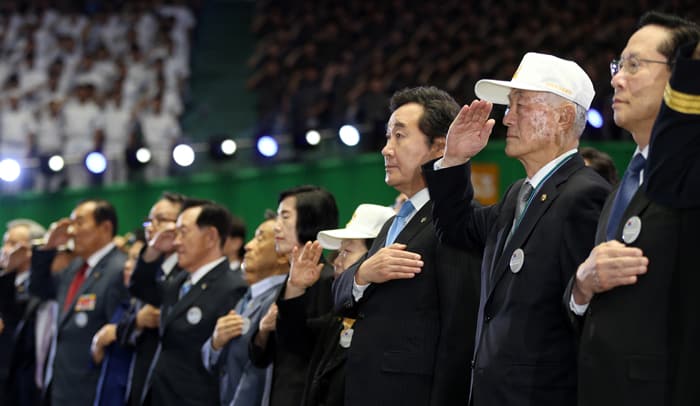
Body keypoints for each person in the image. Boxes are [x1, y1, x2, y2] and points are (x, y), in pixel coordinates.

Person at [422, 54, 611, 406]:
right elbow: (456, 230)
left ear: (563, 117)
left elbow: (588, 317)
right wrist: (454, 160)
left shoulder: (584, 195)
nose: (507, 117)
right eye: (509, 106)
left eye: (520, 106)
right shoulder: (517, 195)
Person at [567, 12, 700, 406]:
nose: (617, 79)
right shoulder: (621, 187)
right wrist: (581, 286)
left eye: (634, 65)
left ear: (681, 78)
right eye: (618, 65)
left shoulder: (688, 180)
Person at [332, 86, 482, 406]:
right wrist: (362, 274)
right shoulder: (392, 222)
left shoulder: (456, 224)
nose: (386, 149)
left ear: (439, 148)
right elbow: (341, 298)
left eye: (399, 136)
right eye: (388, 137)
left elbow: (460, 332)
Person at [278, 203, 395, 406]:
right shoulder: (341, 316)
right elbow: (296, 342)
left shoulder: (390, 320)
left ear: (376, 256)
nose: (337, 262)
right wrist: (295, 287)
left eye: (346, 252)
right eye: (338, 253)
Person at [29, 199, 129, 406]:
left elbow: (119, 337)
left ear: (105, 228)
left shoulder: (119, 270)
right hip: (61, 387)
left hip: (92, 391)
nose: (72, 231)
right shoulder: (75, 267)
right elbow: (39, 289)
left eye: (80, 223)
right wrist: (49, 247)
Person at [147, 202, 247, 406]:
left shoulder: (233, 287)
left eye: (183, 233)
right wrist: (154, 248)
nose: (176, 242)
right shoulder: (178, 282)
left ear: (210, 237)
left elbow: (231, 363)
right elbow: (139, 286)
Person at [249, 185, 338, 406]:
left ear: (310, 221)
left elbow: (308, 350)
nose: (276, 227)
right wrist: (262, 331)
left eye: (285, 217)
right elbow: (260, 358)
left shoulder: (327, 280)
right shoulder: (287, 282)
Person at [201, 213, 289, 406]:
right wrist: (216, 342)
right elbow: (209, 358)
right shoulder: (248, 296)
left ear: (283, 255)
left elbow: (259, 373)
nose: (248, 246)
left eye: (259, 238)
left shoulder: (281, 300)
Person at [122, 192, 185, 406]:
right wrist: (152, 249)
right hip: (142, 377)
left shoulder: (187, 271)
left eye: (162, 220)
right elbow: (138, 288)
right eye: (151, 220)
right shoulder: (153, 267)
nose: (152, 226)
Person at [91, 238, 144, 406]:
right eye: (128, 258)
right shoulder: (125, 305)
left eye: (135, 259)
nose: (127, 265)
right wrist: (98, 344)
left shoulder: (150, 312)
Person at [0, 219, 46, 406]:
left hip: (26, 374)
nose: (5, 249)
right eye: (5, 242)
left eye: (12, 244)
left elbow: (16, 316)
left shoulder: (41, 284)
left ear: (31, 250)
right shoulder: (4, 278)